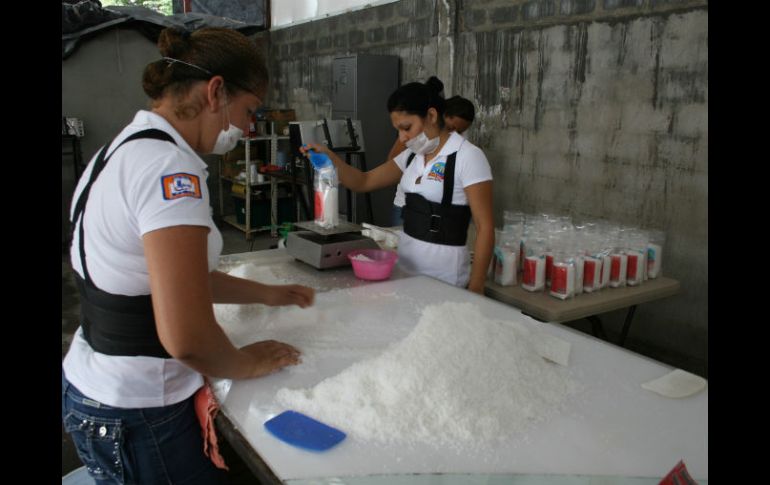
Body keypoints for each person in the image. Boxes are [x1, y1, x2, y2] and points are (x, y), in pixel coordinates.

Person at [62, 27, 315, 484]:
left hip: (93, 386)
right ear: (216, 91)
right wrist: (245, 361)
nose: (246, 128)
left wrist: (267, 294)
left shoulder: (117, 152)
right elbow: (187, 338)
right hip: (138, 411)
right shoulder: (170, 170)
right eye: (248, 111)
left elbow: (164, 277)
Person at [302, 77, 493, 294]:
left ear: (431, 115)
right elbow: (364, 181)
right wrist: (330, 157)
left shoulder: (468, 157)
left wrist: (477, 287)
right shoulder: (412, 156)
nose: (402, 138)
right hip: (405, 272)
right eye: (398, 130)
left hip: (445, 278)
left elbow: (484, 226)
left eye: (407, 128)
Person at [388, 95, 476, 226]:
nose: (455, 135)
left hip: (438, 213)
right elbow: (391, 163)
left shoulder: (463, 148)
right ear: (438, 117)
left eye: (461, 131)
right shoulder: (414, 134)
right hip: (405, 207)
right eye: (451, 128)